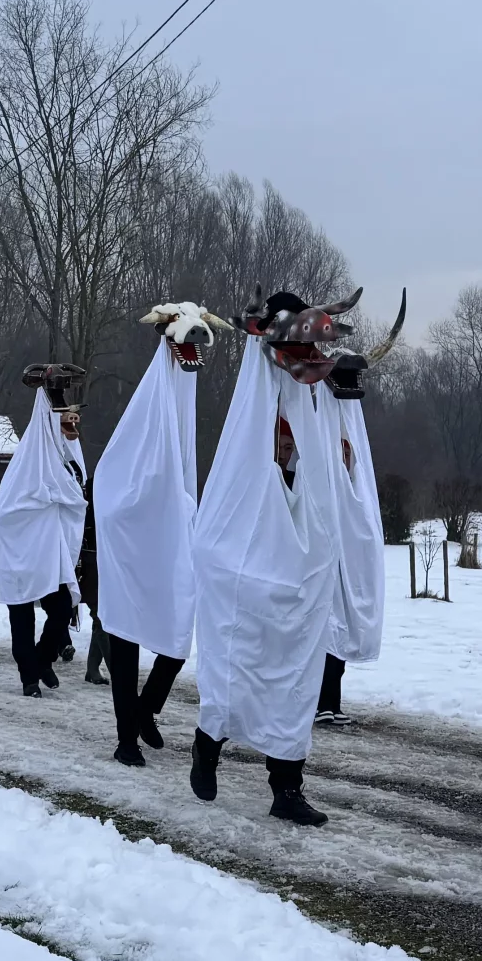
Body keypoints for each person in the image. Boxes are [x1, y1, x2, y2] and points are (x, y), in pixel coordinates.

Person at [191, 288, 371, 825]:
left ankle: (286, 788)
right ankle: (208, 744)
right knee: (237, 666)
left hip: (298, 578)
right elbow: (232, 508)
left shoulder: (310, 416)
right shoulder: (249, 425)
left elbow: (322, 490)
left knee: (294, 681)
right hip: (245, 575)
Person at [92, 303, 211, 764]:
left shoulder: (181, 415)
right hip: (131, 550)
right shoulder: (143, 417)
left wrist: (182, 516)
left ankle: (145, 710)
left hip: (169, 548)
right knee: (124, 644)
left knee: (179, 634)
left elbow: (180, 484)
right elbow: (114, 485)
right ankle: (126, 739)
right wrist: (151, 513)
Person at [314, 295, 402, 730]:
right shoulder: (314, 421)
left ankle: (329, 698)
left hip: (346, 535)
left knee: (343, 614)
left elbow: (355, 480)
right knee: (325, 614)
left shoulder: (352, 429)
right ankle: (320, 699)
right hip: (320, 533)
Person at [0, 364, 88, 696]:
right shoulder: (25, 466)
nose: (70, 426)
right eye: (62, 421)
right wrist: (42, 507)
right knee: (22, 618)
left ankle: (43, 659)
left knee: (61, 611)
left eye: (72, 420)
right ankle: (28, 677)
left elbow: (76, 498)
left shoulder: (67, 462)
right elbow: (6, 511)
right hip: (24, 555)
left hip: (53, 557)